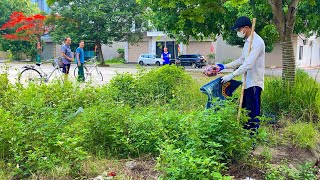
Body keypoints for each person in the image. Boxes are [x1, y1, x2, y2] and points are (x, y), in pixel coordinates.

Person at [215, 16, 265, 134]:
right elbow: (242, 60)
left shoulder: (257, 42)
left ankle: (252, 137)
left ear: (246, 28)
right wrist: (225, 66)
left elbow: (248, 64)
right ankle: (244, 136)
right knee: (245, 111)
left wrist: (231, 75)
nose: (238, 32)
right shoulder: (248, 42)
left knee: (253, 113)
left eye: (239, 29)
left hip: (254, 83)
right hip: (247, 82)